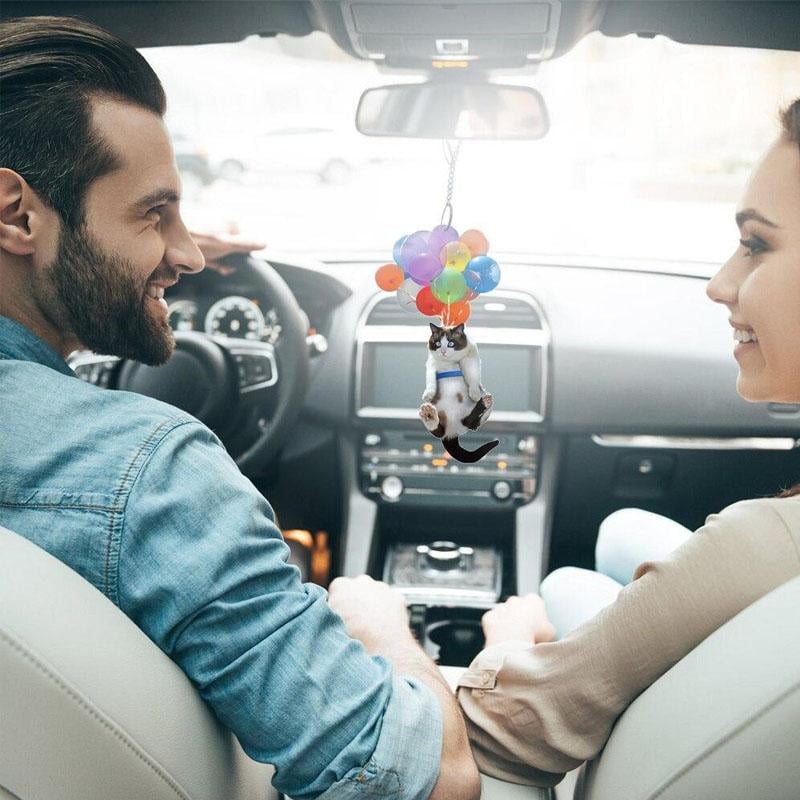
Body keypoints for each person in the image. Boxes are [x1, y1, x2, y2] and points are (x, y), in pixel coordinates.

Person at [0, 16, 480, 800]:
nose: (188, 256)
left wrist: (128, 246)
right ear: (17, 214)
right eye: (154, 215)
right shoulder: (151, 473)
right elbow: (430, 784)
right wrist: (379, 624)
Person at [455, 97, 800, 786]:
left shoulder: (763, 542)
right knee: (618, 534)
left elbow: (502, 734)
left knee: (554, 590)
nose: (718, 284)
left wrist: (508, 639)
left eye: (757, 244)